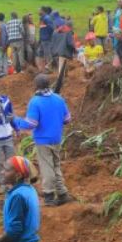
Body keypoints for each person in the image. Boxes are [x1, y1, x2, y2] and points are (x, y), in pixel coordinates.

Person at [14, 74, 73, 206]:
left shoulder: (35, 101)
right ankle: (62, 193)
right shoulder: (59, 98)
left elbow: (31, 124)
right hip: (57, 138)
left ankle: (49, 195)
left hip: (43, 140)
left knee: (47, 167)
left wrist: (16, 120)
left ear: (36, 86)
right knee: (56, 165)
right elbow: (67, 119)